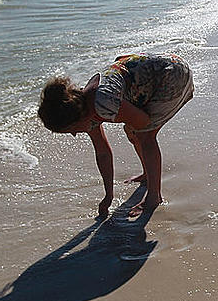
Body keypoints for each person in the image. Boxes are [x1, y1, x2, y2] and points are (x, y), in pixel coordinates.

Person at [38, 52, 194, 219]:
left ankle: (153, 197)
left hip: (172, 74)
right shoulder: (82, 105)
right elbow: (103, 152)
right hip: (154, 70)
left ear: (77, 119)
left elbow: (144, 121)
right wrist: (108, 196)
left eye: (72, 130)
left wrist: (125, 119)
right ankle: (148, 174)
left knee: (143, 135)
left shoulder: (102, 103)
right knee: (133, 131)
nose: (75, 135)